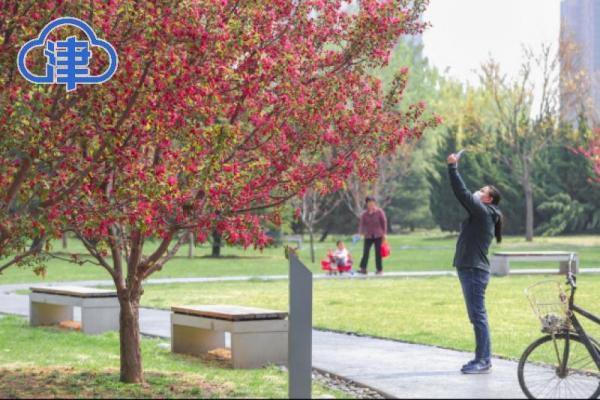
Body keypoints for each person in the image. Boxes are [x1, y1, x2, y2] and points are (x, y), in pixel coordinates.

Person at [447, 152, 503, 375]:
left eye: (482, 191)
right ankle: (482, 358)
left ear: (488, 199)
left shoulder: (483, 212)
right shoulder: (483, 213)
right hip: (471, 270)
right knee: (476, 315)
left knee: (478, 316)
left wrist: (453, 167)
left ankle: (484, 360)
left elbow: (461, 193)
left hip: (474, 271)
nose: (478, 192)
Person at [357, 195, 387, 275]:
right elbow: (361, 224)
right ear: (367, 204)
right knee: (366, 252)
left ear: (375, 203)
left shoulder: (379, 212)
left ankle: (379, 269)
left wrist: (384, 234)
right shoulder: (364, 214)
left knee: (378, 253)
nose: (371, 204)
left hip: (378, 235)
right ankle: (363, 268)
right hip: (368, 236)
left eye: (372, 203)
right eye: (369, 203)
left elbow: (384, 222)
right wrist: (360, 233)